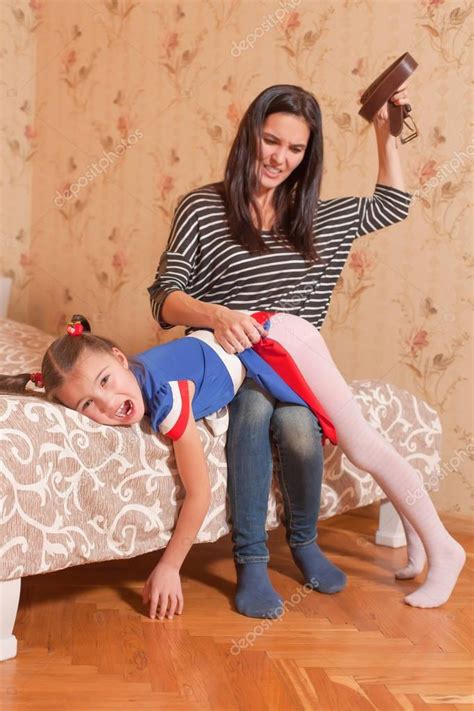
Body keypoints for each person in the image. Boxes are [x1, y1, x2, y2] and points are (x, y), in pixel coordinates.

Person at [147, 83, 434, 618]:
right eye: (270, 140)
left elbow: (393, 204)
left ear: (307, 155)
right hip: (227, 360)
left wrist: (384, 128)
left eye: (295, 149)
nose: (279, 157)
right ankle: (251, 562)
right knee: (253, 412)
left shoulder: (315, 216)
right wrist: (215, 314)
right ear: (250, 135)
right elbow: (163, 297)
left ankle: (303, 542)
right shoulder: (203, 208)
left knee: (300, 427)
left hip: (292, 365)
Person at [3, 312, 465, 617]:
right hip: (256, 341)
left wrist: (169, 566)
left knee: (360, 444)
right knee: (363, 442)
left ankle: (444, 549)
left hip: (274, 340)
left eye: (106, 380)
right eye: (87, 405)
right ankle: (418, 545)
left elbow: (199, 493)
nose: (109, 404)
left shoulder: (167, 398)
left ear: (122, 360)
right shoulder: (139, 378)